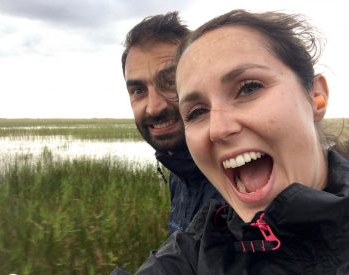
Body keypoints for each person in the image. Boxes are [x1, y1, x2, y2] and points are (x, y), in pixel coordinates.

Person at [125, 9, 349, 274]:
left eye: (249, 88)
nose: (218, 130)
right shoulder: (203, 239)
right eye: (196, 112)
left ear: (315, 95)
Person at [121, 13, 223, 234]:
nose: (153, 107)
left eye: (169, 82)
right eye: (138, 90)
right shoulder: (179, 173)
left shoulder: (239, 173)